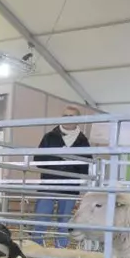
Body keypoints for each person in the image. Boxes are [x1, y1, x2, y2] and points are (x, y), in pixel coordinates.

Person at [31, 105, 91, 248]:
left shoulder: (83, 141)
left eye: (71, 116)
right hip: (49, 185)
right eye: (65, 116)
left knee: (64, 221)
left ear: (78, 120)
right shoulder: (49, 137)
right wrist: (58, 160)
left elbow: (85, 167)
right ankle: (34, 248)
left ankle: (61, 250)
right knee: (41, 218)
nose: (67, 119)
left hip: (70, 187)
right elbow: (38, 159)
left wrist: (70, 162)